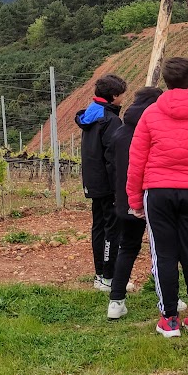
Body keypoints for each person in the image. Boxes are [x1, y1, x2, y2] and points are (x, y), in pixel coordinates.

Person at [127, 57, 188, 338]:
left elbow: (137, 161)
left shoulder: (150, 114)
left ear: (166, 84)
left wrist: (135, 200)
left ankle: (169, 318)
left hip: (157, 192)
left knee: (164, 255)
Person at [103, 85, 161, 319]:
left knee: (127, 247)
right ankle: (170, 298)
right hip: (154, 197)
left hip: (125, 199)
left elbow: (111, 167)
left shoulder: (119, 133)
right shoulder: (154, 132)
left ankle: (116, 302)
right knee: (163, 250)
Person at [75, 73, 127, 293]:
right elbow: (112, 157)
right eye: (122, 95)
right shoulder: (111, 120)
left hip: (93, 181)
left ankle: (99, 275)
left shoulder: (90, 114)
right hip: (108, 184)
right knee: (111, 229)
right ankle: (108, 277)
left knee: (98, 226)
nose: (124, 99)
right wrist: (119, 187)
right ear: (114, 96)